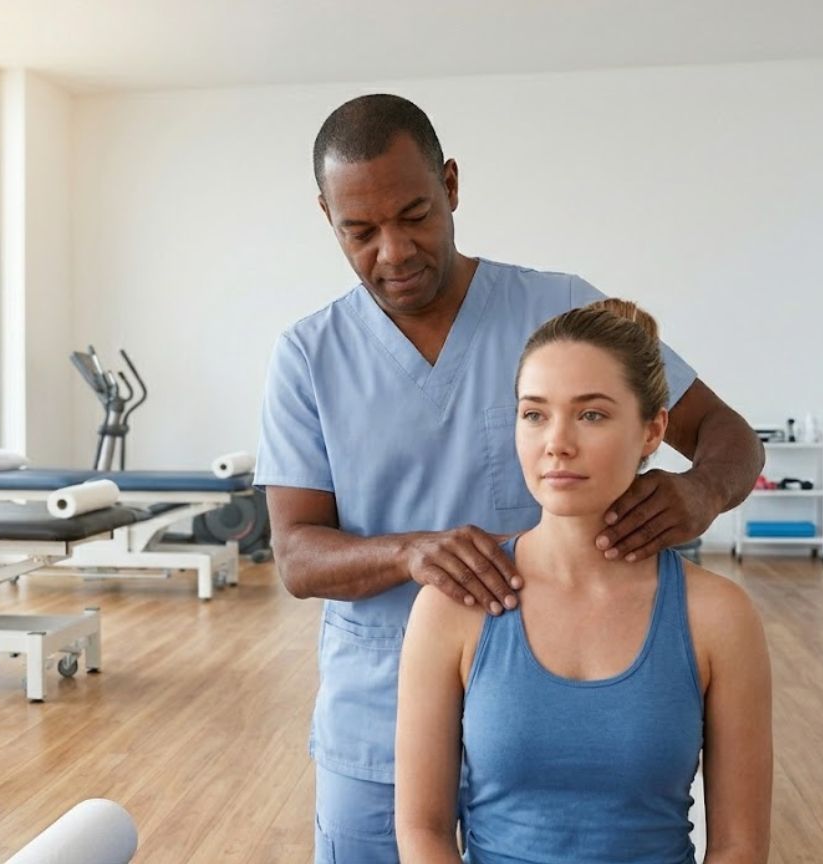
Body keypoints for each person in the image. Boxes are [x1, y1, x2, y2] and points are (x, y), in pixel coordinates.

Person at [255, 93, 765, 864]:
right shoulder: (308, 356)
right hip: (379, 716)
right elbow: (295, 556)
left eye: (415, 216)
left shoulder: (560, 312)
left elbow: (729, 435)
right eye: (360, 232)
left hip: (553, 715)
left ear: (451, 186)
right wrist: (410, 553)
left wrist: (700, 492)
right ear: (328, 217)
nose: (394, 252)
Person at [394, 299, 773, 864]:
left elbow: (739, 846)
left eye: (591, 415)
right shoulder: (452, 608)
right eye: (534, 414)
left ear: (653, 430)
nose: (557, 442)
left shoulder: (719, 616)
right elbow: (422, 830)